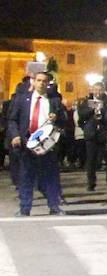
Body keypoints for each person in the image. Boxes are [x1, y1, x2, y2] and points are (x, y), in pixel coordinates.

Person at [6, 70, 67, 216]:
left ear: (48, 84)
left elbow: (64, 122)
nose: (41, 83)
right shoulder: (22, 99)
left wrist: (56, 118)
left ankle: (54, 206)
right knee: (26, 177)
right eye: (38, 80)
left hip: (47, 144)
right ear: (33, 82)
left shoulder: (54, 101)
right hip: (27, 142)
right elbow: (12, 119)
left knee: (50, 176)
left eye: (44, 81)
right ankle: (25, 208)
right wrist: (14, 135)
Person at [76, 80, 107, 192]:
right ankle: (91, 183)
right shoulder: (87, 102)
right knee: (91, 160)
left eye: (100, 90)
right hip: (91, 134)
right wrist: (93, 109)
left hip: (104, 133)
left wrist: (102, 109)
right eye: (96, 90)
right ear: (92, 90)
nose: (98, 92)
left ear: (103, 90)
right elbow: (81, 116)